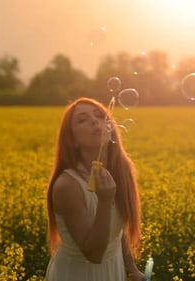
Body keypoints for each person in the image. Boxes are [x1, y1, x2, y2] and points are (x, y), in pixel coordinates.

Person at [44, 97, 144, 281]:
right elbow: (94, 254)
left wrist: (132, 269)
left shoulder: (120, 170)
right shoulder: (67, 185)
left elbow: (117, 232)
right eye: (83, 120)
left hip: (113, 271)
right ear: (72, 140)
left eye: (100, 116)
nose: (94, 121)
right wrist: (104, 201)